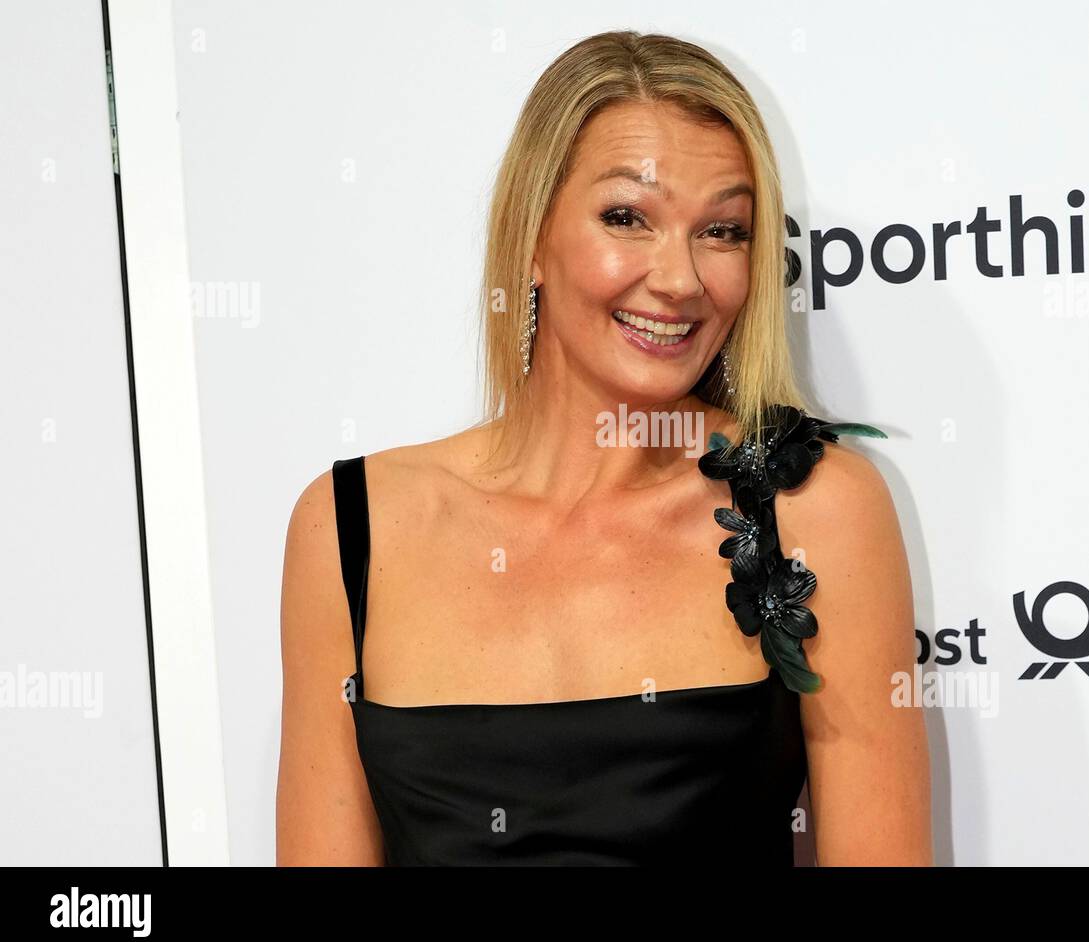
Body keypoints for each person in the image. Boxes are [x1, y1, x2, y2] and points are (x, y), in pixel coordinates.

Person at [276, 30, 930, 865]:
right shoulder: (350, 528)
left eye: (723, 230)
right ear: (532, 238)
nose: (682, 278)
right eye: (628, 217)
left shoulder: (817, 509)